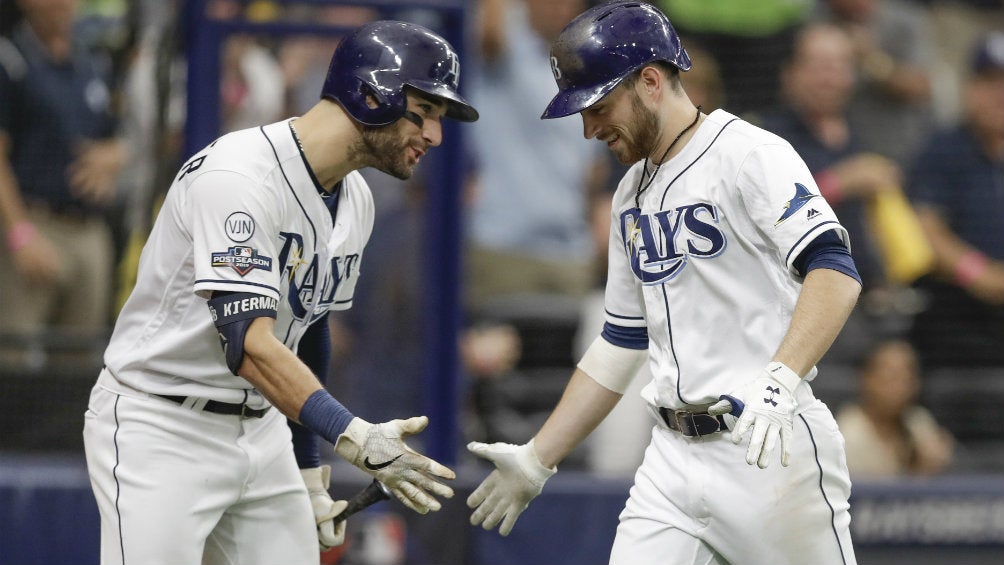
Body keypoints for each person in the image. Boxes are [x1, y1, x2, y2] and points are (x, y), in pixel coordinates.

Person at [465, 4, 862, 565]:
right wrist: (538, 457)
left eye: (598, 106)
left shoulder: (751, 154)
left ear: (651, 81)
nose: (588, 128)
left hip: (766, 449)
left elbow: (835, 273)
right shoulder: (629, 193)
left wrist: (781, 375)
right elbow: (620, 341)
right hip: (671, 459)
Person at [82, 20, 478, 565]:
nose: (434, 136)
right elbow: (248, 343)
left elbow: (309, 328)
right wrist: (355, 437)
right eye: (425, 111)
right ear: (369, 94)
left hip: (263, 429)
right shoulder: (238, 175)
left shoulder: (356, 198)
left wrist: (308, 469)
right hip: (162, 424)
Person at [0, 0, 126, 367]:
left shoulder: (93, 61)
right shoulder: (11, 60)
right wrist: (20, 235)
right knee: (14, 360)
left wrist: (115, 154)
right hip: (33, 225)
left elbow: (120, 135)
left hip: (89, 231)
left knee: (77, 367)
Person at [907, 30, 1004, 368]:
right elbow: (924, 226)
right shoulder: (944, 148)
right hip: (957, 312)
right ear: (969, 88)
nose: (998, 94)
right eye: (989, 82)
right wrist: (978, 273)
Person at [835, 339, 954, 478]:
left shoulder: (918, 421)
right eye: (891, 377)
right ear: (866, 379)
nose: (900, 387)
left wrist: (933, 464)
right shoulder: (845, 432)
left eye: (908, 377)